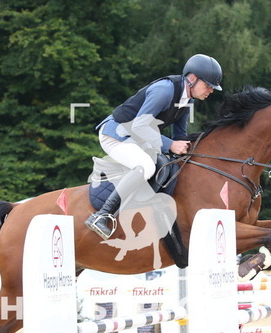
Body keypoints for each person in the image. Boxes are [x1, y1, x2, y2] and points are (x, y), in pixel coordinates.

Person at [85, 54, 223, 239]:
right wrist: (171, 144)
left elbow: (179, 136)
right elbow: (139, 126)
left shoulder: (187, 100)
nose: (211, 90)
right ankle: (101, 215)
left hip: (137, 139)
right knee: (146, 167)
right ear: (192, 78)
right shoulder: (164, 91)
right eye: (208, 85)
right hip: (115, 135)